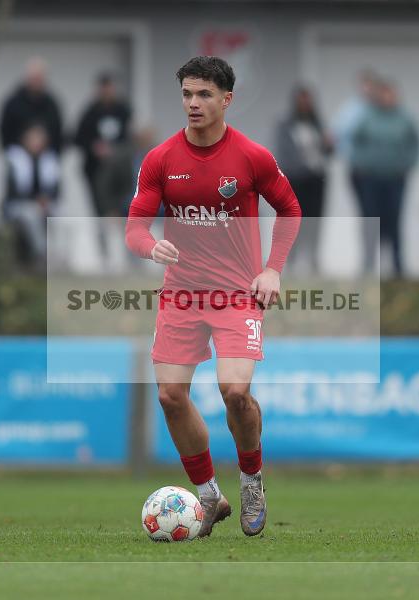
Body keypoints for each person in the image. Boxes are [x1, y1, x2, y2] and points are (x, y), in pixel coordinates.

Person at [125, 56, 301, 538]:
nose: (193, 103)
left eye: (204, 94)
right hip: (181, 295)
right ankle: (208, 496)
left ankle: (251, 480)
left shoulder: (252, 157)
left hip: (237, 295)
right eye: (187, 94)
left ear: (227, 99)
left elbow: (289, 208)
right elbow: (135, 227)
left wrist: (272, 269)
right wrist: (150, 246)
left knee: (235, 393)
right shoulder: (161, 159)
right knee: (170, 396)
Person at [349, 79, 419, 277]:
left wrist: (407, 164)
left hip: (395, 178)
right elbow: (355, 142)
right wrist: (361, 164)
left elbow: (415, 144)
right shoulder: (367, 118)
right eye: (384, 94)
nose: (388, 98)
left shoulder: (405, 119)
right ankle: (368, 264)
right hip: (371, 178)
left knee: (394, 219)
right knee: (371, 220)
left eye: (391, 94)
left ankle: (397, 265)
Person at [275, 86, 332, 273]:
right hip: (295, 180)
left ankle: (313, 258)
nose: (305, 105)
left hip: (316, 180)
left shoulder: (318, 125)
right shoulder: (285, 125)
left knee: (314, 220)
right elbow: (283, 154)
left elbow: (328, 152)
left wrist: (329, 144)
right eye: (302, 101)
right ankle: (291, 259)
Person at [76, 73, 131, 263]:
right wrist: (95, 147)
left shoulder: (123, 110)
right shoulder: (90, 113)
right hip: (95, 172)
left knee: (124, 210)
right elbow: (79, 138)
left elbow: (128, 139)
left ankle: (128, 253)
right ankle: (104, 253)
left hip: (120, 174)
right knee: (100, 213)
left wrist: (116, 152)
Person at [2, 124, 61, 265]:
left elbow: (56, 190)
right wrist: (35, 201)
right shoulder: (15, 160)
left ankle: (60, 254)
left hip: (45, 205)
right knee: (32, 214)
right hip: (19, 205)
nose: (36, 143)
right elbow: (12, 192)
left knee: (59, 214)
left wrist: (46, 199)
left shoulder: (49, 160)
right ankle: (42, 254)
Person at [0, 57, 64, 153]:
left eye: (39, 78)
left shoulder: (52, 104)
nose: (36, 82)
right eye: (34, 78)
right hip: (18, 150)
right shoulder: (13, 103)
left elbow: (58, 132)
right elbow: (5, 131)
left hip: (46, 152)